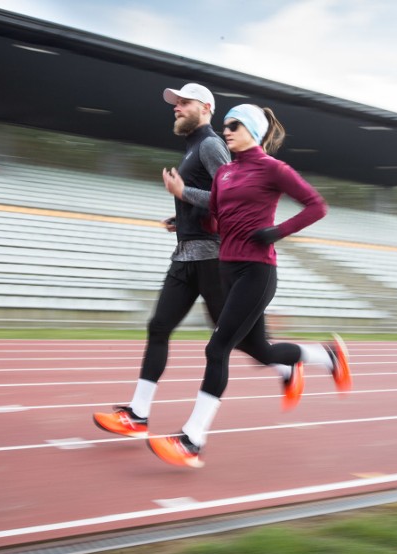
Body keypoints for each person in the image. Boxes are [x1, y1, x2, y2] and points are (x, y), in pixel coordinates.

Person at [146, 103, 352, 468]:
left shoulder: (273, 169)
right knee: (259, 350)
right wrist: (182, 221)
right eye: (225, 125)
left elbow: (316, 206)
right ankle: (327, 357)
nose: (226, 130)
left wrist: (276, 232)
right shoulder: (225, 173)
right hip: (227, 268)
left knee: (217, 348)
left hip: (257, 271)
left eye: (235, 125)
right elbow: (218, 215)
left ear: (253, 132)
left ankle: (192, 440)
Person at [93, 84, 293, 439]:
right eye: (176, 103)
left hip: (215, 260)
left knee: (246, 345)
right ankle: (137, 415)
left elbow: (230, 195)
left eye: (184, 103)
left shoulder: (212, 144)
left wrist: (182, 193)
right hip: (186, 256)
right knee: (158, 327)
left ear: (205, 108)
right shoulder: (192, 147)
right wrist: (180, 218)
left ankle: (290, 367)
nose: (176, 108)